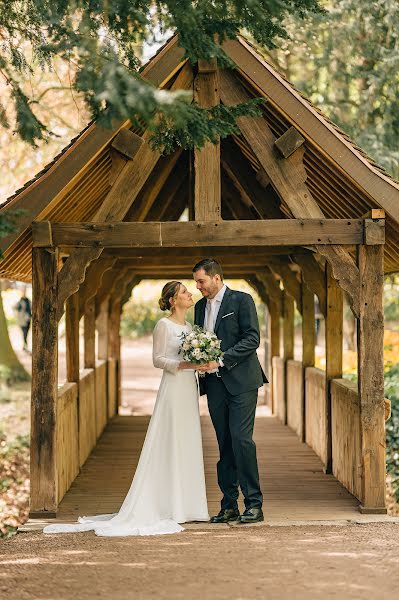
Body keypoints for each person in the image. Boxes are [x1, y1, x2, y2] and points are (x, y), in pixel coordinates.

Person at [43, 281, 209, 536]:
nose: (190, 294)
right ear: (173, 301)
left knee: (187, 440)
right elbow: (158, 360)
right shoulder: (164, 326)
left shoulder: (189, 327)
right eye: (184, 292)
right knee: (170, 439)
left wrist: (202, 363)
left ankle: (188, 506)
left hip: (188, 388)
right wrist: (186, 365)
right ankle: (168, 504)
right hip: (174, 387)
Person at [193, 258, 267, 524]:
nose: (198, 287)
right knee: (224, 444)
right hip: (214, 385)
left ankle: (254, 504)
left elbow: (252, 338)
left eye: (201, 281)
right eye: (196, 282)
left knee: (241, 440)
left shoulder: (242, 300)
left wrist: (221, 359)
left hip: (242, 382)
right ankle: (228, 505)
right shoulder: (200, 307)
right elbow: (200, 340)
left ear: (216, 278)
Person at [14, 286, 32, 352]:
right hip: (22, 320)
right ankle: (25, 345)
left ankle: (25, 345)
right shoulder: (20, 301)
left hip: (28, 319)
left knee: (26, 332)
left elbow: (31, 308)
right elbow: (14, 307)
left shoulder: (28, 301)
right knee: (24, 332)